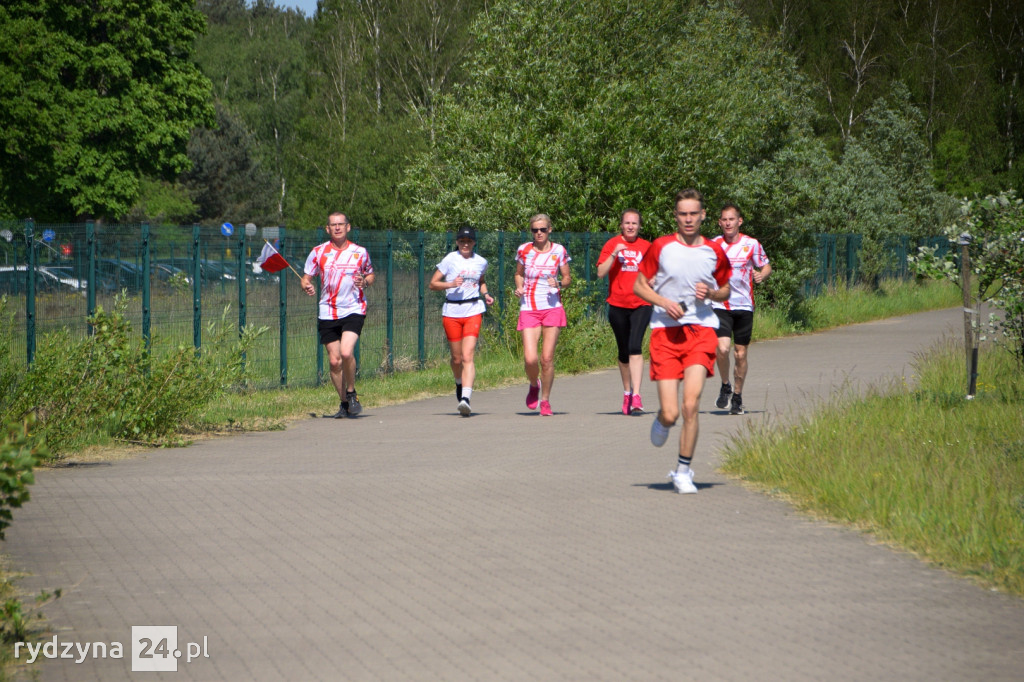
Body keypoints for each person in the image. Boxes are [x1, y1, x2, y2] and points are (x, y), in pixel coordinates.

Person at [633, 189, 731, 494]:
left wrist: (712, 294)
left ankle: (683, 471)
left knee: (691, 405)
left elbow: (727, 289)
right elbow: (639, 286)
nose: (688, 219)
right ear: (676, 216)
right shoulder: (661, 247)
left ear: (702, 215)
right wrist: (663, 301)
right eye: (682, 214)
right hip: (665, 332)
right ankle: (663, 420)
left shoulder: (715, 251)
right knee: (672, 412)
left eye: (693, 214)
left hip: (701, 330)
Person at [301, 212, 375, 419]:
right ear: (327, 229)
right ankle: (344, 403)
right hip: (327, 310)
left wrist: (366, 282)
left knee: (345, 352)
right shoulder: (318, 252)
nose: (337, 228)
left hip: (353, 308)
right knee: (334, 362)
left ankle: (351, 393)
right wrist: (306, 285)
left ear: (348, 227)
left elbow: (370, 273)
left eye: (341, 224)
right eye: (333, 225)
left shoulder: (359, 252)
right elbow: (306, 277)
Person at [711, 202, 771, 416]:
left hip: (744, 305)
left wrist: (762, 274)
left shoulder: (751, 244)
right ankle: (725, 384)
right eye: (724, 220)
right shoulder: (713, 244)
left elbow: (765, 265)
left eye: (731, 219)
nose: (728, 223)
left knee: (741, 353)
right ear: (720, 223)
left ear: (739, 221)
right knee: (723, 349)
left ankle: (737, 396)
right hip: (720, 304)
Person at [429, 225, 494, 417]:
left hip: (473, 309)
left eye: (469, 241)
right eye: (462, 241)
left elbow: (481, 281)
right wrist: (450, 284)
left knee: (468, 356)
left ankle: (465, 398)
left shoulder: (481, 261)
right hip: (452, 311)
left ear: (474, 243)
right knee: (456, 359)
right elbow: (433, 284)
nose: (465, 245)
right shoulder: (450, 259)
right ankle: (459, 382)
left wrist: (486, 294)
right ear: (457, 242)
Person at [514, 213, 572, 416]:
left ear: (550, 230)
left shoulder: (559, 251)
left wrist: (558, 283)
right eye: (535, 230)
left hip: (552, 308)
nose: (539, 233)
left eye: (543, 229)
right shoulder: (524, 250)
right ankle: (533, 384)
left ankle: (545, 401)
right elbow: (518, 273)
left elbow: (567, 278)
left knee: (546, 358)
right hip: (529, 308)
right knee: (530, 359)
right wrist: (519, 287)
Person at [596, 209, 652, 415]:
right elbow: (601, 272)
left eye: (634, 223)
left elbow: (656, 273)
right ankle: (627, 392)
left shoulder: (647, 247)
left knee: (635, 346)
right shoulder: (612, 244)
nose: (630, 226)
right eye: (627, 223)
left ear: (639, 226)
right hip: (618, 304)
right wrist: (614, 254)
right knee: (623, 352)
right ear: (621, 225)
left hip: (642, 303)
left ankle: (637, 395)